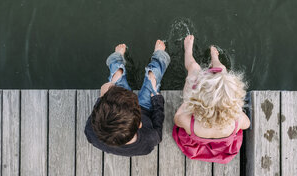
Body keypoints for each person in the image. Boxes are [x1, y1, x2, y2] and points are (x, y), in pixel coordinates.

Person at [172, 35, 250, 164]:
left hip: (196, 141)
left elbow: (177, 119)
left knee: (194, 68)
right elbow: (246, 124)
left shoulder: (189, 122)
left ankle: (188, 52)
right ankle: (215, 60)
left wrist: (188, 102)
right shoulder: (236, 121)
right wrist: (235, 110)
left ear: (198, 102)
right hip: (221, 146)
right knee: (223, 71)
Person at [85, 40, 170, 156]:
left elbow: (98, 111)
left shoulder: (91, 131)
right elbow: (157, 123)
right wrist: (157, 100)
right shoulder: (149, 139)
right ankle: (159, 56)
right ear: (140, 124)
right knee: (152, 78)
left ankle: (117, 62)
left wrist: (103, 97)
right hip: (145, 109)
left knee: (116, 77)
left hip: (117, 99)